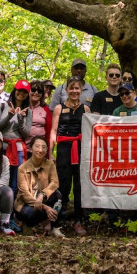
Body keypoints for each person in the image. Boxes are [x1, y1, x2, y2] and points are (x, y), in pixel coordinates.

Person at [50, 75, 91, 235]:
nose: (74, 91)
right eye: (71, 88)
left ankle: (79, 221)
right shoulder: (59, 108)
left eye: (77, 88)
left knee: (80, 187)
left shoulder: (86, 109)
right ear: (66, 90)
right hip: (63, 150)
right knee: (63, 187)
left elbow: (90, 132)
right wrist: (50, 153)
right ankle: (56, 220)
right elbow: (53, 131)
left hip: (80, 150)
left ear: (81, 90)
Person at [0, 80, 32, 199]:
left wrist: (20, 120)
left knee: (15, 181)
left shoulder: (28, 112)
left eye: (25, 92)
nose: (21, 93)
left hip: (17, 149)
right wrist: (9, 116)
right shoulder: (2, 106)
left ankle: (11, 213)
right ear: (15, 90)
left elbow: (26, 134)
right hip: (1, 148)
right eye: (19, 90)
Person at [15, 137, 63, 235]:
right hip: (26, 204)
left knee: (58, 195)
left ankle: (54, 227)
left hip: (42, 199)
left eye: (44, 147)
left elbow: (55, 183)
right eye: (37, 146)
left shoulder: (50, 164)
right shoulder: (22, 168)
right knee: (30, 213)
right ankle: (27, 224)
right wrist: (45, 207)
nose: (40, 150)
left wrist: (42, 194)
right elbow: (25, 195)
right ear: (30, 149)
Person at [24, 82, 53, 147]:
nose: (36, 93)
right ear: (28, 91)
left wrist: (49, 152)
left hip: (40, 148)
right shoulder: (22, 107)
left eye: (39, 91)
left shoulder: (45, 109)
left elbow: (49, 132)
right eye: (33, 90)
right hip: (23, 147)